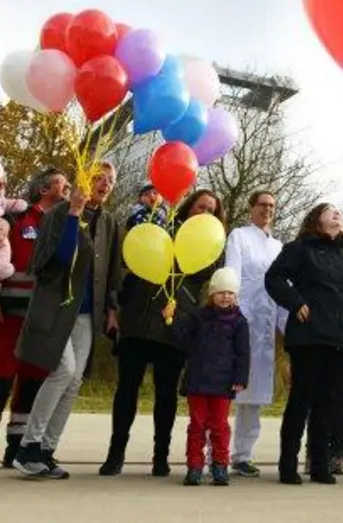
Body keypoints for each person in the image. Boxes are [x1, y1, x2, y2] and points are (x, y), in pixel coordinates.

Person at [100, 188, 222, 478]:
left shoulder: (212, 242)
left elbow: (206, 276)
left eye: (211, 210)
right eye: (200, 206)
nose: (204, 213)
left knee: (166, 395)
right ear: (188, 207)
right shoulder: (160, 223)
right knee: (126, 390)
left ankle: (161, 456)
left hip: (175, 323)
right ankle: (115, 454)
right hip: (139, 318)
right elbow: (133, 253)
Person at [12, 162, 119, 480]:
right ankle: (27, 448)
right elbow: (55, 258)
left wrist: (112, 309)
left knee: (74, 381)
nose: (104, 184)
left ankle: (45, 450)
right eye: (98, 177)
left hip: (87, 312)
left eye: (110, 180)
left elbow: (112, 270)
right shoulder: (59, 213)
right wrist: (74, 213)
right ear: (84, 180)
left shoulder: (109, 222)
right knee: (63, 370)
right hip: (57, 306)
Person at [264, 202, 343, 485]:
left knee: (331, 403)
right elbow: (273, 278)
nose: (338, 213)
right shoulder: (300, 249)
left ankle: (320, 464)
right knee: (302, 399)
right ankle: (288, 464)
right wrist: (295, 302)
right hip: (310, 337)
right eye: (330, 210)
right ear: (316, 220)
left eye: (340, 211)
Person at [0, 167, 65, 471]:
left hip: (42, 317)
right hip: (9, 312)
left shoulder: (63, 223)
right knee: (0, 377)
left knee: (33, 381)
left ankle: (17, 447)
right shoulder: (17, 219)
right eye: (64, 184)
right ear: (45, 188)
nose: (69, 188)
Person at [223, 190, 285, 478]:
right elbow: (232, 273)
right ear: (252, 208)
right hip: (239, 322)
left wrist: (288, 325)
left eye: (271, 206)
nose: (267, 210)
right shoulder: (239, 236)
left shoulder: (278, 247)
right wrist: (230, 312)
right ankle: (216, 453)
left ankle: (243, 455)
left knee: (254, 394)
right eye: (262, 205)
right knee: (227, 388)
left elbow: (284, 288)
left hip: (265, 328)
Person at [172, 266, 251, 486]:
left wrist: (240, 378)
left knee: (219, 425)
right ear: (212, 294)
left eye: (230, 293)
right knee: (197, 425)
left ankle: (220, 465)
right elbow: (181, 336)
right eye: (221, 292)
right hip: (198, 380)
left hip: (223, 384)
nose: (226, 297)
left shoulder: (239, 323)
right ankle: (195, 467)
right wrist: (172, 318)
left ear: (235, 296)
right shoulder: (199, 317)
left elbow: (243, 354)